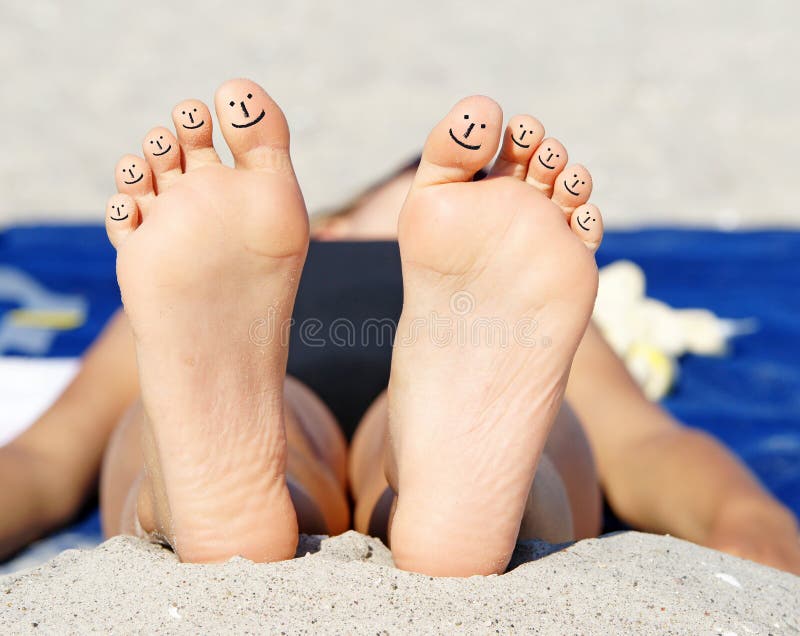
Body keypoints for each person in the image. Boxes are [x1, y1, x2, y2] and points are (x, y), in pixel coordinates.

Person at [1, 79, 797, 577]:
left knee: (202, 422)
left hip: (315, 356)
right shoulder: (225, 259)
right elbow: (646, 444)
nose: (437, 205)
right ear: (339, 218)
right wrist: (750, 527)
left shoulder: (199, 259)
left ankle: (183, 506)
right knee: (527, 449)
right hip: (462, 337)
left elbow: (46, 456)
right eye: (406, 194)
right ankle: (491, 513)